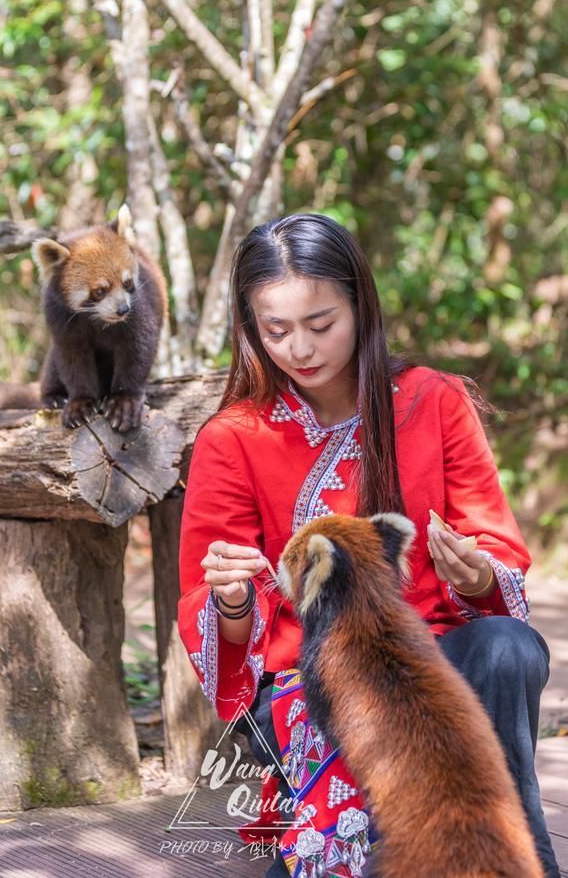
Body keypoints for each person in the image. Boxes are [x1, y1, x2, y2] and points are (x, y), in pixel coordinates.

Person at [177, 213, 559, 878]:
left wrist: (474, 578)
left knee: (506, 648)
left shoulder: (432, 400)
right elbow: (219, 629)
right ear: (249, 329)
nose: (300, 348)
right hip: (310, 684)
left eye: (320, 323)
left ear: (360, 303)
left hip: (428, 664)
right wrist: (234, 603)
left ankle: (517, 856)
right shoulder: (232, 437)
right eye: (276, 330)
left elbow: (497, 557)